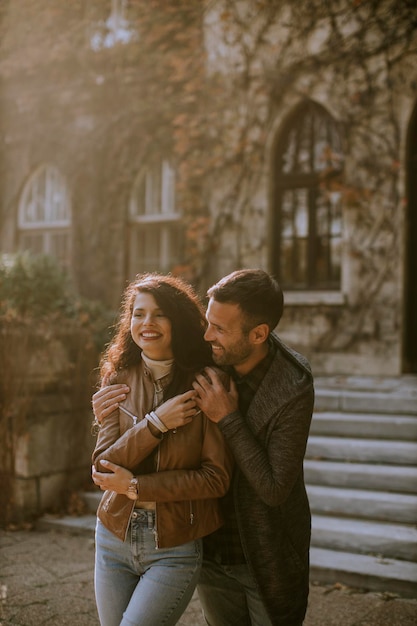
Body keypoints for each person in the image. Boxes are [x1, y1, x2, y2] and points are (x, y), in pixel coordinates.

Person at [93, 269, 314, 626]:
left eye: (220, 328)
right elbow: (105, 461)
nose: (207, 334)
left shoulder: (291, 386)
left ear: (258, 334)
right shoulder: (204, 359)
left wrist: (228, 417)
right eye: (208, 321)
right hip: (209, 541)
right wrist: (113, 415)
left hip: (264, 550)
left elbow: (273, 488)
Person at [90, 273, 233, 626]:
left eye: (159, 314)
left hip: (174, 547)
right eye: (138, 314)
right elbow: (103, 468)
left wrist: (138, 487)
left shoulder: (208, 384)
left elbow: (215, 480)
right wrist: (155, 423)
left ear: (178, 320)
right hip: (112, 537)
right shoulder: (118, 379)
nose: (147, 323)